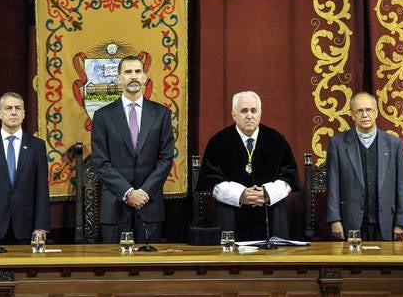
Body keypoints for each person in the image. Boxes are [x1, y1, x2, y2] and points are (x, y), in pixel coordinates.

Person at [90, 55, 174, 243]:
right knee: (114, 270)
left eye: (138, 71)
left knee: (149, 269)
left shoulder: (161, 114)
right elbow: (100, 162)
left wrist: (144, 192)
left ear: (144, 78)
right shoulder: (103, 116)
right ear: (119, 79)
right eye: (128, 72)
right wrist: (128, 193)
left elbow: (166, 158)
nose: (133, 76)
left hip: (149, 206)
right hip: (115, 207)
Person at [197, 90, 299, 240]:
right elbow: (211, 180)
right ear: (234, 114)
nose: (249, 115)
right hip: (231, 215)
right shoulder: (218, 142)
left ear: (260, 113)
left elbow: (289, 176)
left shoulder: (276, 141)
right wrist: (240, 195)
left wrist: (266, 193)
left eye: (253, 110)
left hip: (270, 213)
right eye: (244, 111)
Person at [326, 91, 403, 241]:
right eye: (359, 111)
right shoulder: (337, 144)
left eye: (369, 110)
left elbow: (401, 186)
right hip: (351, 223)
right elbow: (333, 185)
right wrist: (334, 219)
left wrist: (400, 222)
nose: (365, 115)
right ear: (352, 115)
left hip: (386, 224)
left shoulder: (394, 144)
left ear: (376, 112)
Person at [0, 92, 49, 245]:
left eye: (18, 108)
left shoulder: (36, 146)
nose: (13, 112)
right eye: (8, 108)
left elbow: (42, 190)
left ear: (24, 114)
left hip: (27, 228)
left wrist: (41, 227)